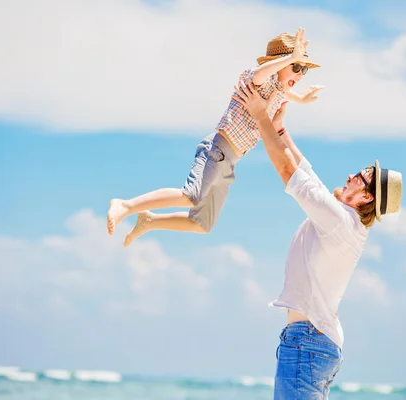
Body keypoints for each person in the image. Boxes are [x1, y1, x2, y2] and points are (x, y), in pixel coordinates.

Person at [231, 80, 403, 399]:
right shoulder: (344, 219)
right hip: (314, 341)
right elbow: (304, 170)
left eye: (360, 177)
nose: (351, 176)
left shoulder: (339, 221)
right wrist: (279, 129)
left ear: (365, 196)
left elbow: (288, 170)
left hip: (308, 341)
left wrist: (260, 117)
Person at [107, 28, 324, 247]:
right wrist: (291, 58)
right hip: (217, 149)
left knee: (202, 224)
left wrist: (302, 99)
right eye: (296, 67)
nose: (299, 74)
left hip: (229, 164)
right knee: (190, 195)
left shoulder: (277, 89)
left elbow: (285, 92)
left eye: (303, 70)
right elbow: (261, 74)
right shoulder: (257, 79)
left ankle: (150, 221)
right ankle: (126, 206)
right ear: (279, 62)